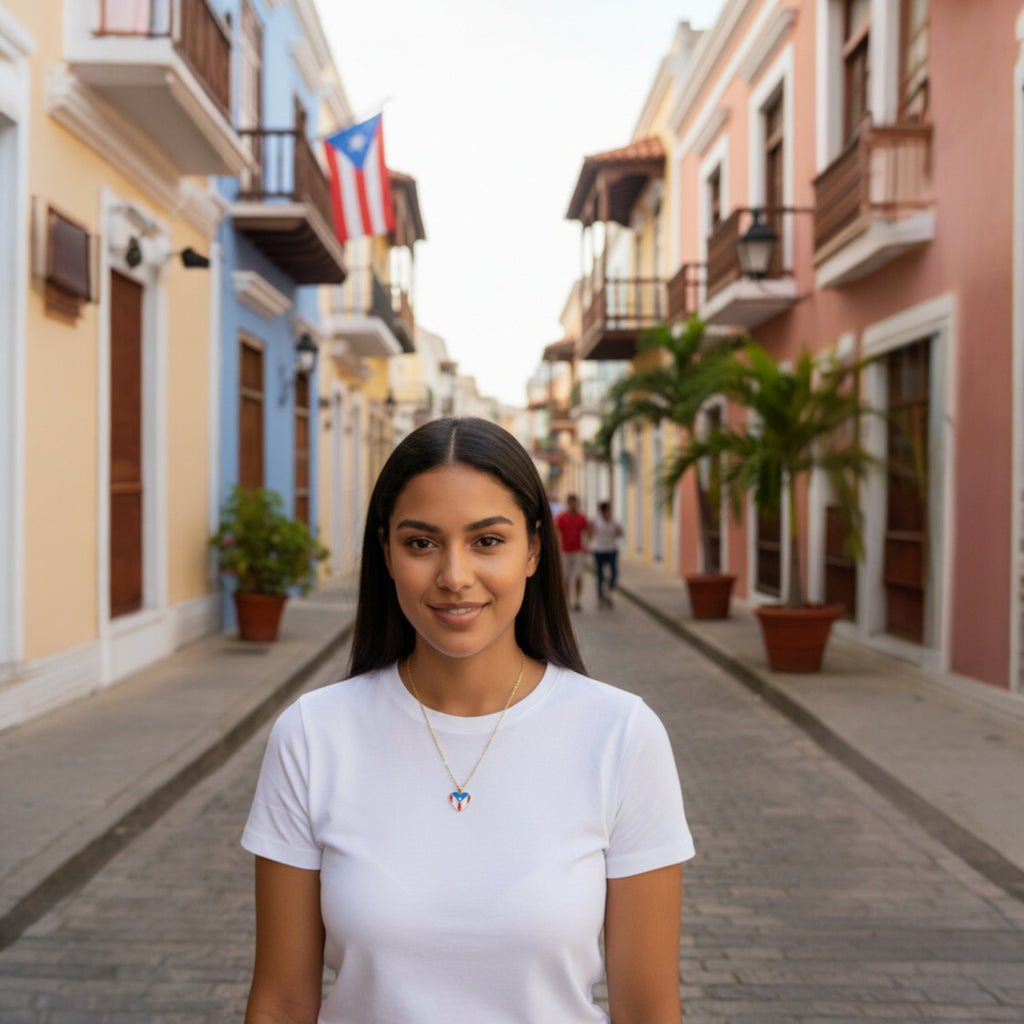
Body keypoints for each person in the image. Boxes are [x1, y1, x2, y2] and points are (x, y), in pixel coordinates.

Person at [241, 417, 694, 1024]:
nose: (454, 576)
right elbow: (280, 1002)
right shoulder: (313, 736)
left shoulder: (622, 736)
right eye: (421, 543)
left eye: (487, 541)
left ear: (534, 549)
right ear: (387, 553)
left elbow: (648, 1011)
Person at [555, 492, 590, 612]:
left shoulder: (582, 518)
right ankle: (567, 601)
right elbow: (555, 532)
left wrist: (587, 545)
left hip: (578, 551)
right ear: (568, 504)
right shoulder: (561, 517)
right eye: (571, 503)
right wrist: (557, 546)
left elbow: (588, 530)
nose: (573, 506)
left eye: (575, 504)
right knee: (565, 577)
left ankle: (577, 600)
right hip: (565, 551)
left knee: (578, 576)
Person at [590, 500, 623, 609]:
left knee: (614, 572)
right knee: (600, 575)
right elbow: (590, 532)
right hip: (599, 550)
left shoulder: (614, 520)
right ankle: (600, 598)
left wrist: (618, 531)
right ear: (602, 511)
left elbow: (620, 533)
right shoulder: (596, 521)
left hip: (611, 549)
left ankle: (608, 591)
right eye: (606, 510)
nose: (608, 512)